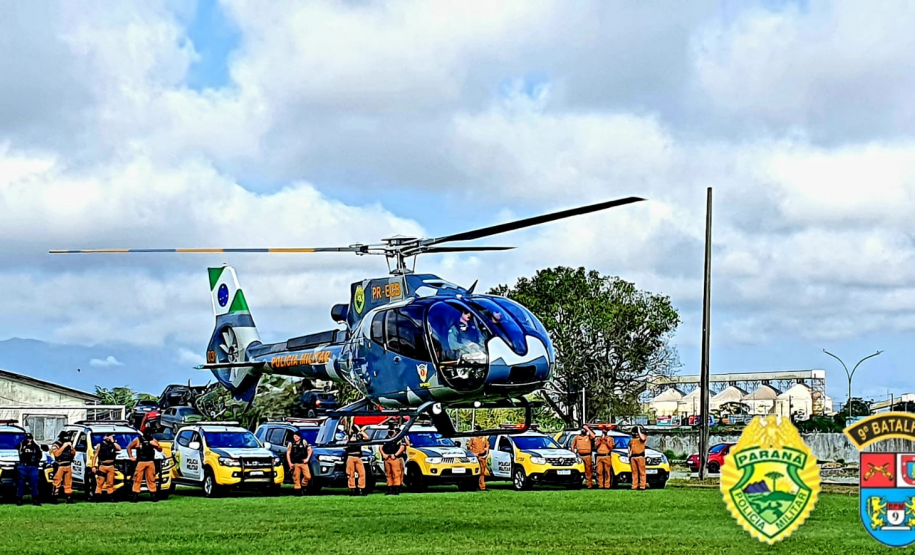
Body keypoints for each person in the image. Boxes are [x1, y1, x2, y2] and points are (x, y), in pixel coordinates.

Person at [128, 428, 162, 502]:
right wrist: (131, 456)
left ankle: (153, 495)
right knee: (137, 478)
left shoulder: (153, 440)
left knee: (151, 478)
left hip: (150, 461)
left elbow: (160, 449)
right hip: (141, 461)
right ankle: (135, 495)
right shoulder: (138, 440)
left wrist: (156, 445)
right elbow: (129, 447)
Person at [16, 433, 43, 506]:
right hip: (23, 467)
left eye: (30, 438)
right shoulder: (21, 445)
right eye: (27, 438)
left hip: (33, 467)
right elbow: (18, 451)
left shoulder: (35, 447)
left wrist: (36, 461)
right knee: (21, 483)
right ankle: (19, 499)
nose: (29, 440)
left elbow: (40, 455)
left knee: (34, 484)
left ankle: (35, 500)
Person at [92, 433, 121, 502]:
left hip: (111, 466)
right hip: (102, 466)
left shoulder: (113, 445)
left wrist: (113, 441)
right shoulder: (100, 445)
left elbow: (119, 448)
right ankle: (97, 497)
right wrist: (93, 466)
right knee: (100, 483)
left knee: (110, 483)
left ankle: (111, 496)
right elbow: (95, 456)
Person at [51, 431, 76, 504]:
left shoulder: (69, 444)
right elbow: (57, 454)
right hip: (59, 466)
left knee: (68, 483)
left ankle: (69, 497)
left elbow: (73, 454)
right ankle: (54, 497)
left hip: (68, 465)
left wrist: (71, 448)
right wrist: (64, 446)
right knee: (56, 483)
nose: (67, 438)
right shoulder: (55, 445)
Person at [344, 424, 369, 496]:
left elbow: (367, 438)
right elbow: (345, 444)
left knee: (362, 473)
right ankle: (352, 489)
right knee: (350, 474)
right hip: (350, 456)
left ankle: (361, 489)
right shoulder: (348, 436)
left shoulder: (359, 436)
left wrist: (360, 431)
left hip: (358, 457)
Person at [380, 427, 406, 495]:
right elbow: (380, 447)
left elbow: (402, 447)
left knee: (396, 474)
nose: (391, 432)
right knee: (388, 474)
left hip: (395, 458)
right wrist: (384, 454)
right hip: (387, 458)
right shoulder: (386, 438)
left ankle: (396, 489)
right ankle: (390, 489)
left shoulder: (398, 438)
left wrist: (395, 455)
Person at [286, 431, 313, 496]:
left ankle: (303, 486)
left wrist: (307, 459)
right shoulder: (291, 444)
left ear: (300, 437)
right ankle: (297, 491)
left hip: (303, 462)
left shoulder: (304, 442)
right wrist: (290, 463)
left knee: (308, 476)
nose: (296, 437)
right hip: (296, 463)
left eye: (297, 436)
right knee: (296, 477)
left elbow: (310, 450)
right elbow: (288, 453)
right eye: (295, 436)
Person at [466, 426, 490, 491]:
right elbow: (468, 446)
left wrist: (486, 454)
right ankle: (474, 485)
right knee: (475, 472)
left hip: (482, 457)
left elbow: (487, 447)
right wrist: (473, 453)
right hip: (475, 457)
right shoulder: (473, 438)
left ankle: (482, 487)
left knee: (482, 472)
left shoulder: (484, 438)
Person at [629, 425, 648, 491]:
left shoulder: (643, 437)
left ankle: (642, 486)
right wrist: (629, 455)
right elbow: (630, 448)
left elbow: (642, 438)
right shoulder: (632, 440)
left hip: (640, 456)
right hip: (633, 457)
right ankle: (634, 486)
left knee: (642, 472)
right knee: (634, 473)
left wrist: (639, 431)